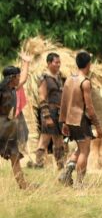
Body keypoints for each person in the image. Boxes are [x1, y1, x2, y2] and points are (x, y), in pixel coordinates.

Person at [58, 51, 102, 188]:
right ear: (88, 64)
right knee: (85, 151)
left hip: (70, 120)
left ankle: (65, 174)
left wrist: (64, 122)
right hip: (81, 120)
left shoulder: (69, 79)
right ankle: (79, 183)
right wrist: (98, 127)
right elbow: (89, 108)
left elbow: (64, 102)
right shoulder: (85, 82)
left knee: (79, 149)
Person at [0, 52, 34, 190]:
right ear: (11, 78)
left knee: (15, 156)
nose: (19, 78)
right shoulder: (2, 91)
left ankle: (23, 185)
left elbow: (24, 78)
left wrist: (26, 62)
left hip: (9, 128)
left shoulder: (13, 88)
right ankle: (23, 185)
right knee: (14, 156)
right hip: (2, 127)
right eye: (17, 76)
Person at [31, 52, 67, 169]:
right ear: (49, 63)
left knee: (59, 140)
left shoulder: (60, 78)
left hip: (59, 112)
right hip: (49, 111)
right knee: (45, 138)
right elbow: (42, 97)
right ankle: (39, 163)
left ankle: (60, 164)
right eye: (56, 62)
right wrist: (46, 116)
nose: (58, 65)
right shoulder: (44, 78)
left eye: (59, 62)